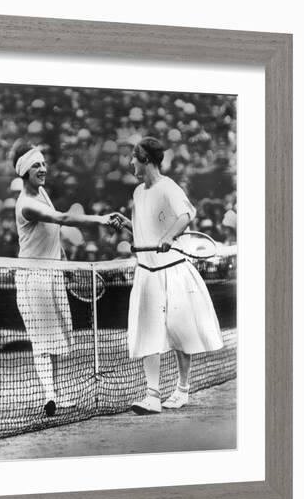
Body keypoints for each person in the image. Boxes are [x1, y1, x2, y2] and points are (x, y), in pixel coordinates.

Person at [113, 137, 223, 413]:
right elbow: (143, 230)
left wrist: (169, 235)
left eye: (134, 158)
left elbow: (187, 214)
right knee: (147, 333)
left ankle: (182, 390)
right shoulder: (138, 193)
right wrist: (127, 224)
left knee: (180, 333)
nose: (130, 163)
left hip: (173, 272)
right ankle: (152, 396)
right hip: (147, 274)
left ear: (146, 160)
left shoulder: (168, 187)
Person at [13, 143, 119, 417]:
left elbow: (53, 230)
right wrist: (101, 219)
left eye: (44, 164)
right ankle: (49, 395)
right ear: (24, 171)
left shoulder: (42, 192)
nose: (43, 169)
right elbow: (61, 217)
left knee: (57, 340)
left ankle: (55, 395)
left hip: (53, 274)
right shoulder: (26, 204)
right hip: (32, 279)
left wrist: (63, 260)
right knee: (41, 340)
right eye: (37, 165)